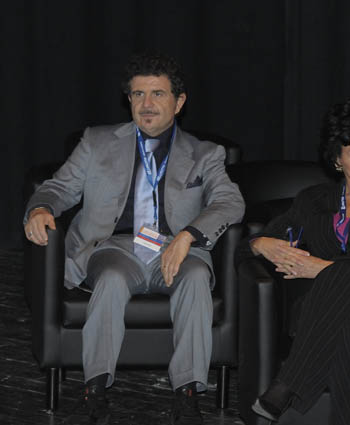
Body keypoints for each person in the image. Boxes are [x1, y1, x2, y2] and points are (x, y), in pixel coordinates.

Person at [23, 53, 244, 425]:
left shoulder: (204, 153)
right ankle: (95, 389)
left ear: (179, 102)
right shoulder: (96, 141)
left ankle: (187, 394)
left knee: (194, 278)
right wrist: (41, 207)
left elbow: (230, 202)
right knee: (110, 278)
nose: (146, 104)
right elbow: (57, 188)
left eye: (158, 94)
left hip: (176, 248)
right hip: (114, 247)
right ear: (128, 99)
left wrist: (188, 236)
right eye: (138, 94)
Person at [236, 97, 350, 425]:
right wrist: (261, 243)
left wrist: (324, 269)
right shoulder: (313, 202)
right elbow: (242, 251)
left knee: (345, 271)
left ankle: (287, 385)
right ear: (338, 160)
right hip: (327, 316)